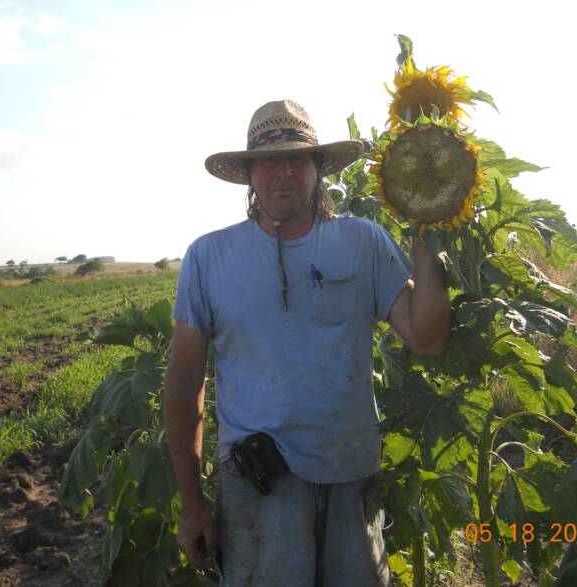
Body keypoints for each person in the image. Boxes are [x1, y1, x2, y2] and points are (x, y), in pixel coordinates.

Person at [165, 99, 450, 586]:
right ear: (250, 174)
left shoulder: (363, 241)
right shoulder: (209, 256)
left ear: (318, 168)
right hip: (259, 489)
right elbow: (185, 380)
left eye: (298, 159)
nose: (284, 173)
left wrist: (429, 233)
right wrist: (192, 503)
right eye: (270, 161)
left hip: (351, 479)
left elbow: (426, 338)